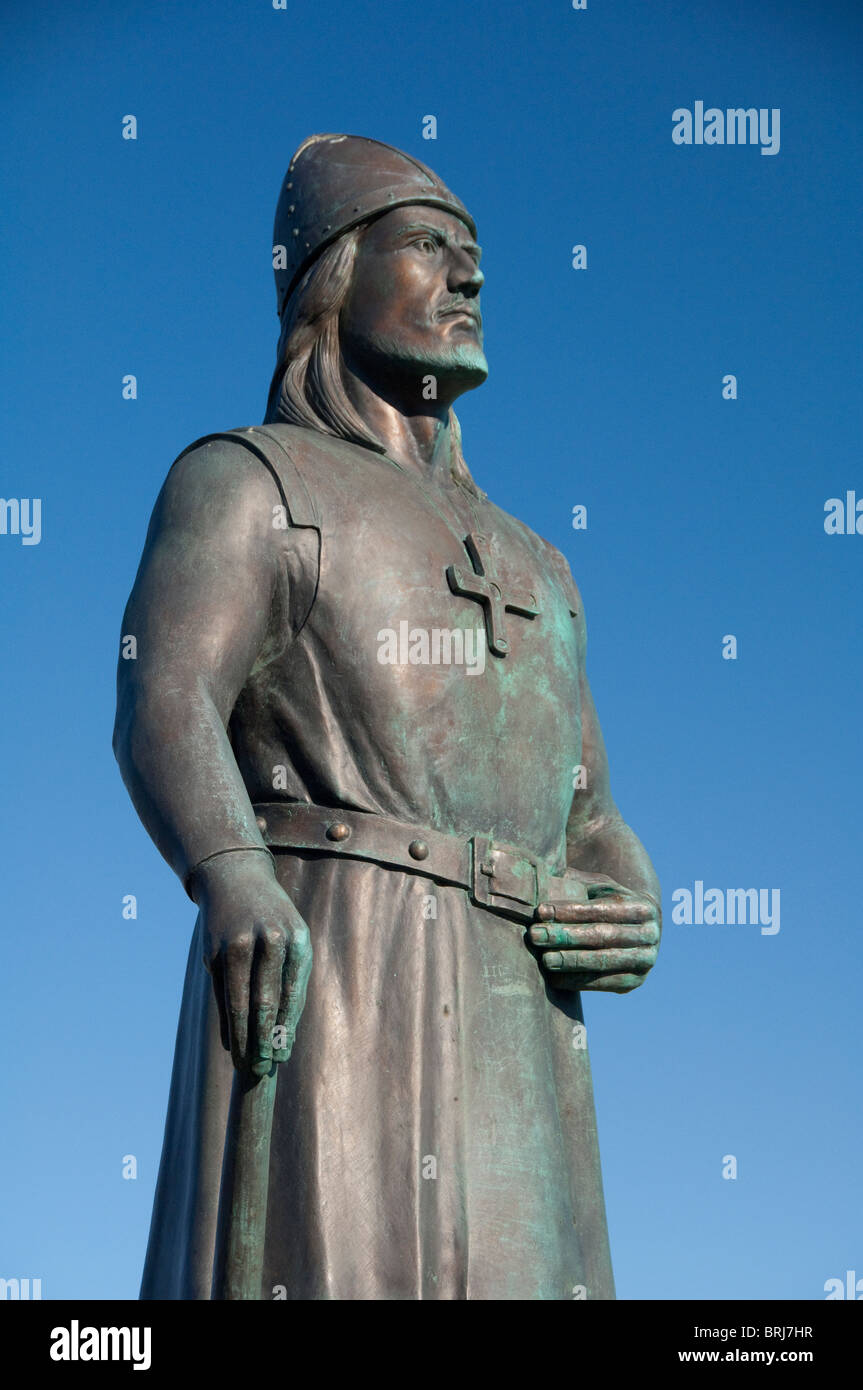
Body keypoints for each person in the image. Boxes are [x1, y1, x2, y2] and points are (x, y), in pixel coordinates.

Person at [114, 134, 661, 1300]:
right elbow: (163, 694)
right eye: (428, 248)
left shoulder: (539, 563)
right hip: (340, 976)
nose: (467, 279)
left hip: (519, 1023)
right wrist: (229, 868)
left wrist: (627, 903)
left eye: (474, 258)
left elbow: (590, 815)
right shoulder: (248, 480)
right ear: (331, 274)